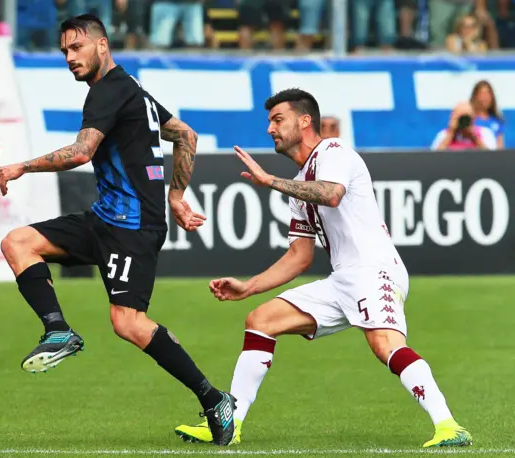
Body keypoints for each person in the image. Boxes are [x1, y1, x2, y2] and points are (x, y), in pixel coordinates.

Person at [174, 88, 472, 448]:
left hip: (373, 268)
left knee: (384, 344)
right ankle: (230, 425)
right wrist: (248, 287)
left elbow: (331, 194)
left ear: (304, 121)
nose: (270, 129)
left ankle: (448, 425)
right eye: (270, 121)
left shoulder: (333, 151)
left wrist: (270, 182)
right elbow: (299, 257)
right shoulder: (300, 184)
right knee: (261, 320)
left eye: (277, 119)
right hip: (343, 277)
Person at [0, 14, 236, 446]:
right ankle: (58, 330)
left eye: (77, 48)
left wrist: (22, 166)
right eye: (65, 51)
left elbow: (82, 151)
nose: (70, 58)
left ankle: (214, 398)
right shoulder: (131, 91)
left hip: (133, 227)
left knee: (127, 323)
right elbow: (187, 136)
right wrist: (177, 197)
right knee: (17, 242)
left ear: (102, 45)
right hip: (104, 218)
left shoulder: (110, 90)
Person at [431, 101, 497, 151]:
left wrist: (474, 138)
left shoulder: (485, 133)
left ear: (473, 118)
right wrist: (450, 134)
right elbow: (433, 159)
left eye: (466, 118)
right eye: (460, 117)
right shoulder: (443, 135)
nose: (463, 121)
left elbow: (492, 158)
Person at [470, 80, 506, 149]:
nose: (485, 97)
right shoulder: (470, 119)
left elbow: (500, 148)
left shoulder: (497, 120)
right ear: (475, 96)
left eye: (488, 93)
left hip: (492, 158)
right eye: (482, 94)